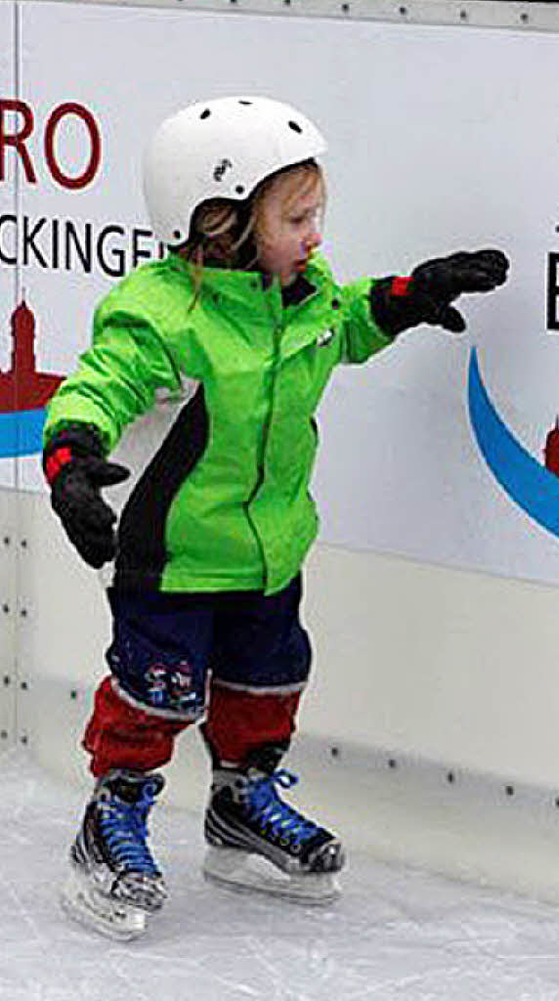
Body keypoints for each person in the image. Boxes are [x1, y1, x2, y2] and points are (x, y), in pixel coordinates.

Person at [42, 95, 509, 940]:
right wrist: (72, 462)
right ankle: (111, 822)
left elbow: (348, 325)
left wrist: (409, 294)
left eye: (317, 213)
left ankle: (239, 805)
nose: (316, 235)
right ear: (217, 222)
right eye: (296, 217)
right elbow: (96, 386)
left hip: (269, 552)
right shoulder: (156, 315)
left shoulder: (303, 294)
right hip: (172, 558)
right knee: (157, 694)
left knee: (270, 682)